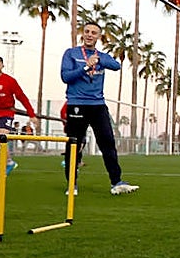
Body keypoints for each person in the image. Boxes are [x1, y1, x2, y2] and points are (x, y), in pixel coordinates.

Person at [59, 21, 139, 195]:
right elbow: (65, 76)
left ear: (98, 36)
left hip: (98, 105)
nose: (89, 35)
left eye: (94, 33)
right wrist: (86, 66)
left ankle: (116, 182)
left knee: (108, 142)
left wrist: (99, 60)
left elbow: (116, 66)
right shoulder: (71, 54)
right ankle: (71, 184)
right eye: (87, 31)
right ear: (83, 33)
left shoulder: (102, 56)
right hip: (77, 104)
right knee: (74, 144)